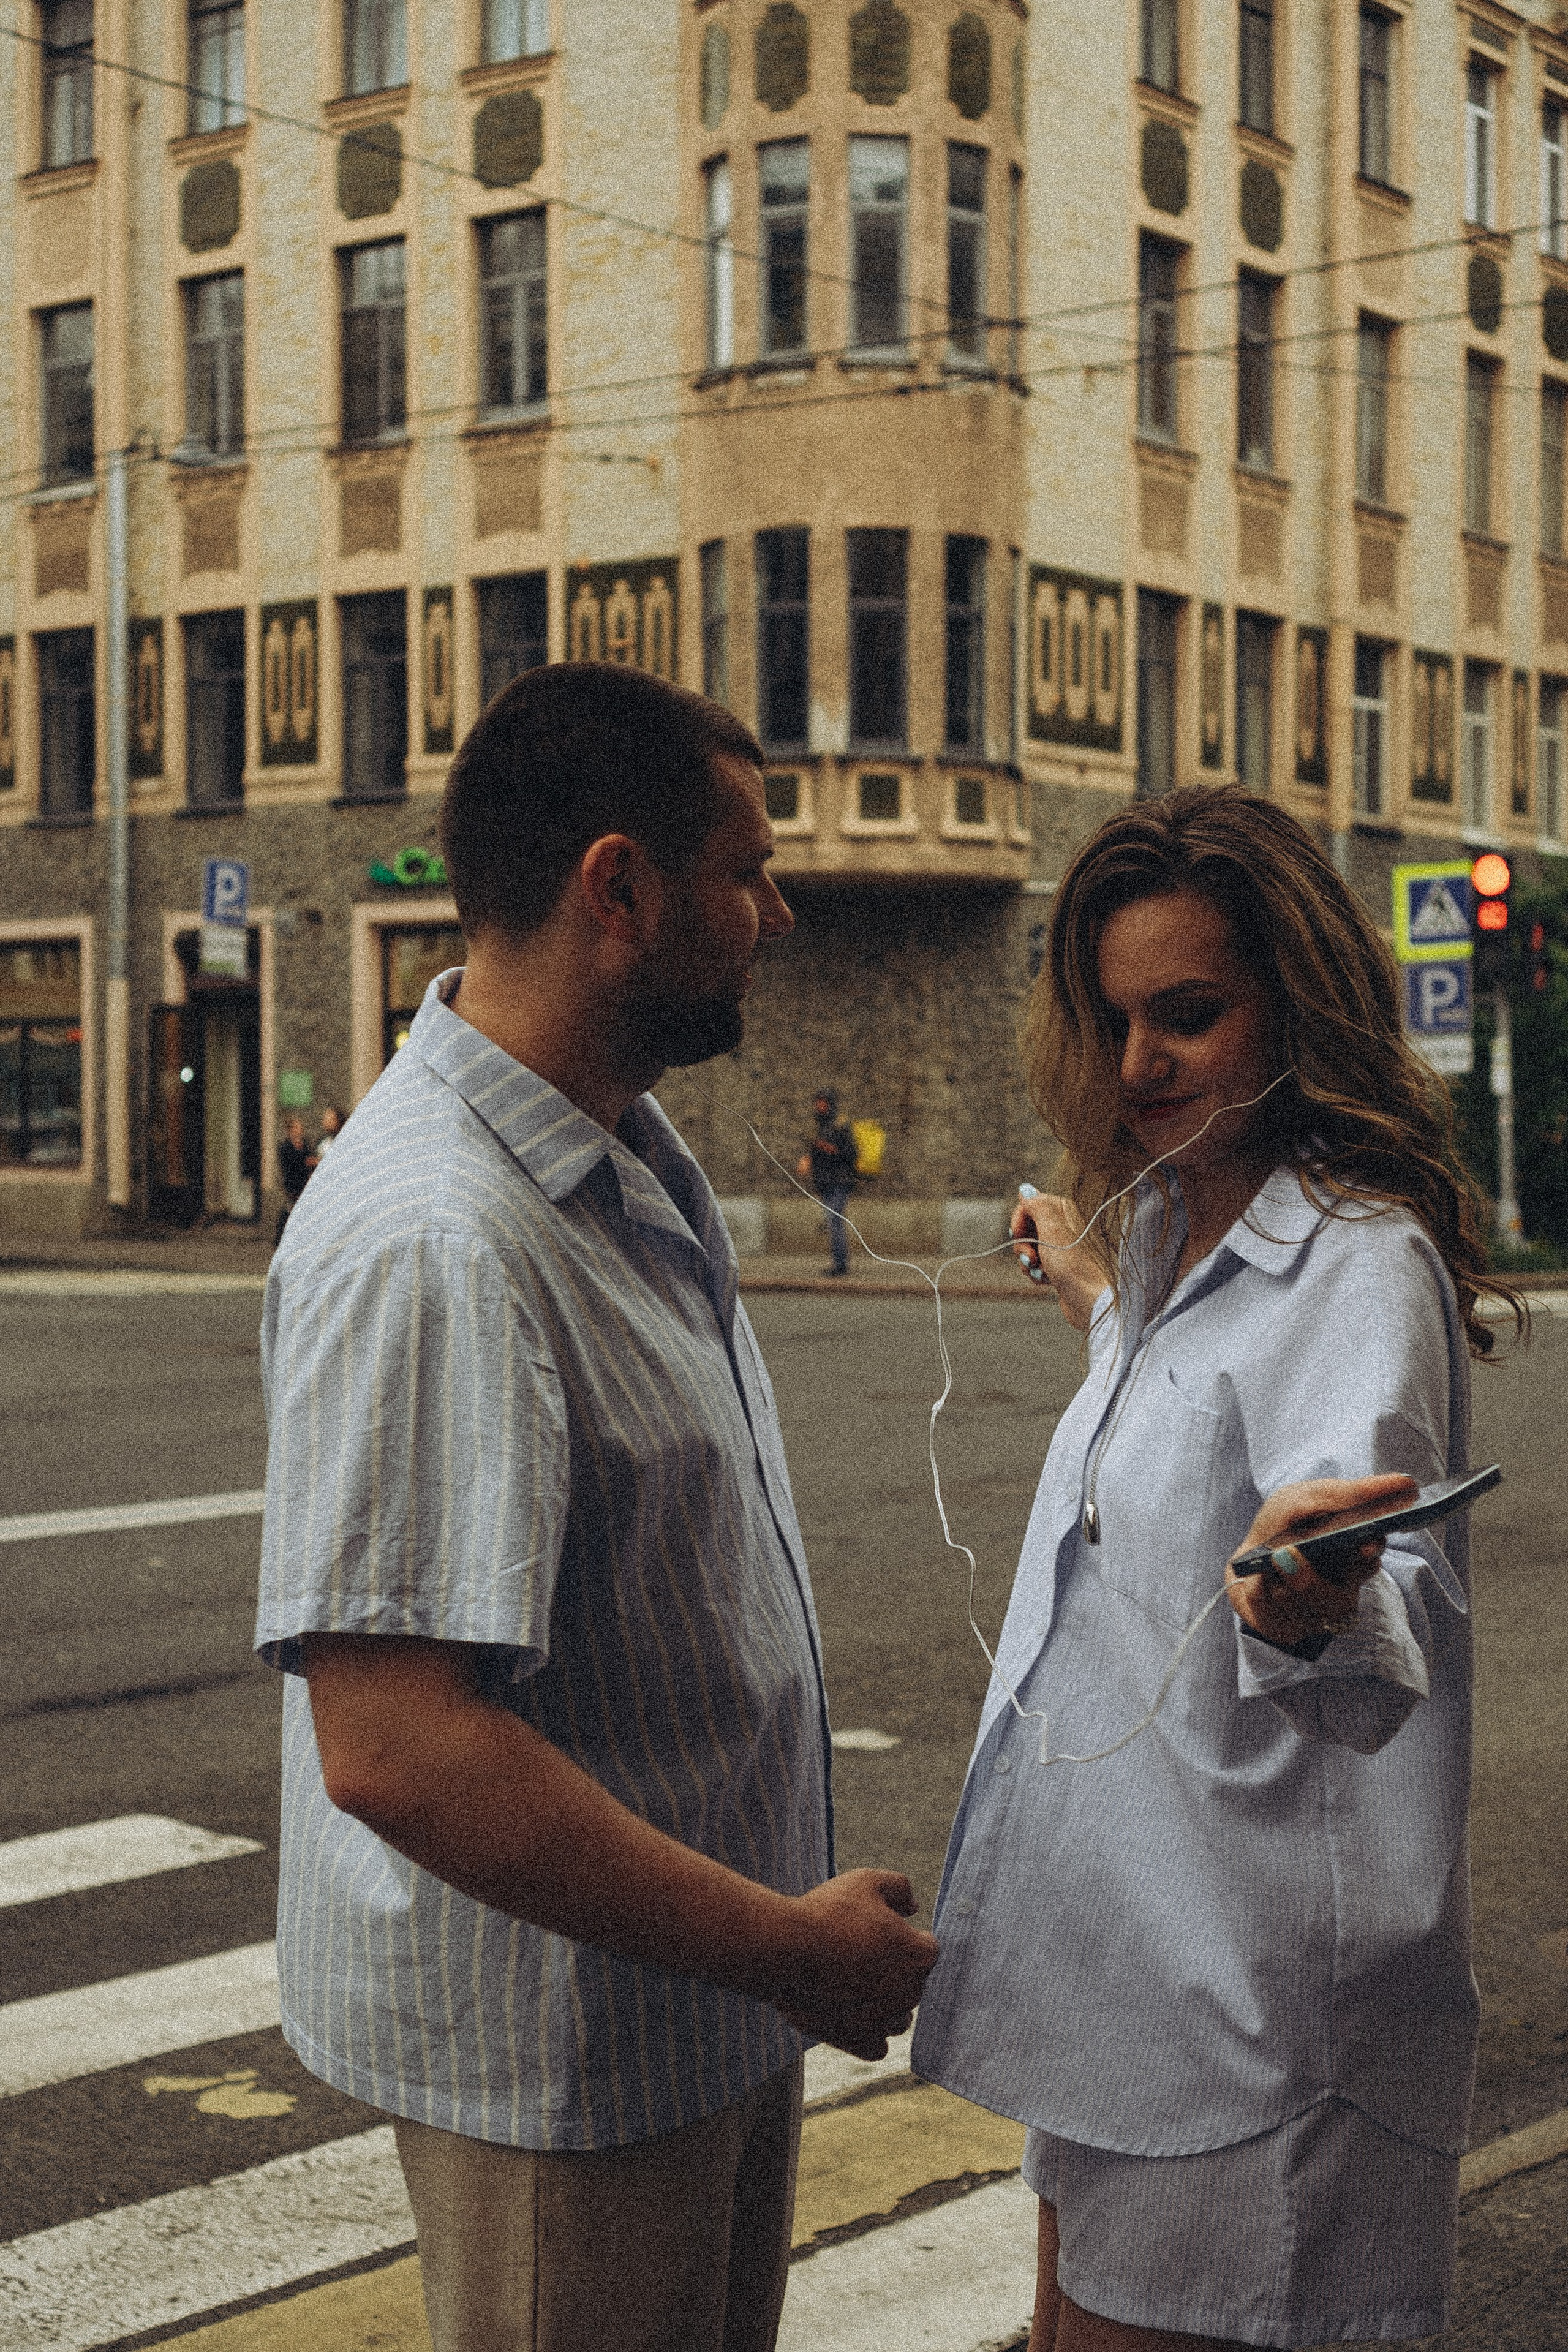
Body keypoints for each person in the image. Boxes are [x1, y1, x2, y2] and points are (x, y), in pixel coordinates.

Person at [255, 662, 936, 2352]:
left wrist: (768, 1963)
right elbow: (397, 1746)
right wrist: (785, 1948)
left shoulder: (603, 1154)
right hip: (573, 2068)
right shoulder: (437, 1234)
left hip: (689, 2021)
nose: (777, 913)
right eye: (748, 870)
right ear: (617, 889)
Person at [911, 786, 1520, 2352]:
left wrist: (1309, 1602)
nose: (1135, 1064)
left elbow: (1380, 1609)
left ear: (1296, 1009)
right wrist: (1100, 1295)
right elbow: (1184, 1420)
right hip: (1119, 1992)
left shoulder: (1353, 1264)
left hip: (1251, 2030)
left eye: (1185, 1015)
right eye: (1110, 1019)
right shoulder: (1168, 1234)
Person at [797, 1088, 857, 1277]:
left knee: (834, 1220)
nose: (820, 1107)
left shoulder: (841, 1126)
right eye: (818, 1103)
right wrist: (808, 1160)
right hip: (825, 1183)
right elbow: (815, 1152)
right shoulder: (818, 1127)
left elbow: (851, 1153)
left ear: (831, 1105)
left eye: (824, 1103)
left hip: (840, 1182)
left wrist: (829, 1149)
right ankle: (839, 1263)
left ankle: (840, 1266)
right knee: (833, 1221)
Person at [273, 1114, 314, 1244]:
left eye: (300, 1127)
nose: (299, 1130)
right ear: (290, 1130)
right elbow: (290, 1164)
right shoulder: (285, 1146)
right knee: (290, 1208)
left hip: (304, 1181)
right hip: (292, 1181)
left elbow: (308, 1157)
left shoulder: (305, 1143)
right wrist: (307, 1162)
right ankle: (280, 1236)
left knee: (298, 1209)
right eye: (296, 1128)